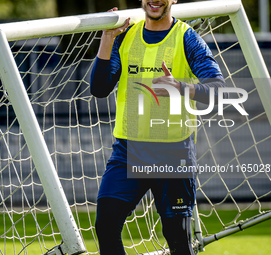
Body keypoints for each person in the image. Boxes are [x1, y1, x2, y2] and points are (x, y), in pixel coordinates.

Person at [90, 1, 227, 254]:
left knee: (177, 239)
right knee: (105, 225)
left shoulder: (187, 38)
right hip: (128, 152)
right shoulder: (126, 35)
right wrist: (107, 37)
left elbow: (217, 91)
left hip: (173, 155)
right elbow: (99, 89)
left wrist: (181, 88)